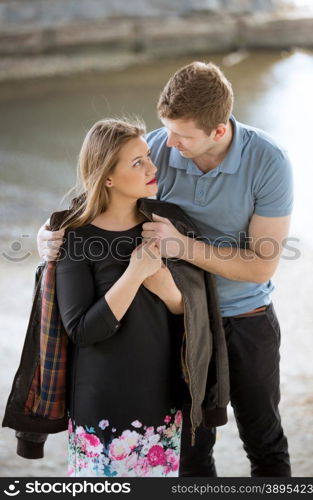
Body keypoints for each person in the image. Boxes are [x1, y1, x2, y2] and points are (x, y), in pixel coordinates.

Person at [37, 61, 293, 477]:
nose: (167, 145)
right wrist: (45, 234)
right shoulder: (157, 147)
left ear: (219, 131)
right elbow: (98, 190)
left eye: (182, 136)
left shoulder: (269, 162)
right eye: (167, 130)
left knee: (264, 440)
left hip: (244, 320)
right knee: (190, 453)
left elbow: (261, 266)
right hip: (181, 321)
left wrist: (182, 246)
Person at [21, 116, 229, 477]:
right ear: (108, 177)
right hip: (102, 405)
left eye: (148, 156)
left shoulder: (167, 224)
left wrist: (167, 289)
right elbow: (83, 331)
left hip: (162, 401)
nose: (152, 167)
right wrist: (134, 274)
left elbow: (194, 312)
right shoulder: (76, 238)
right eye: (138, 162)